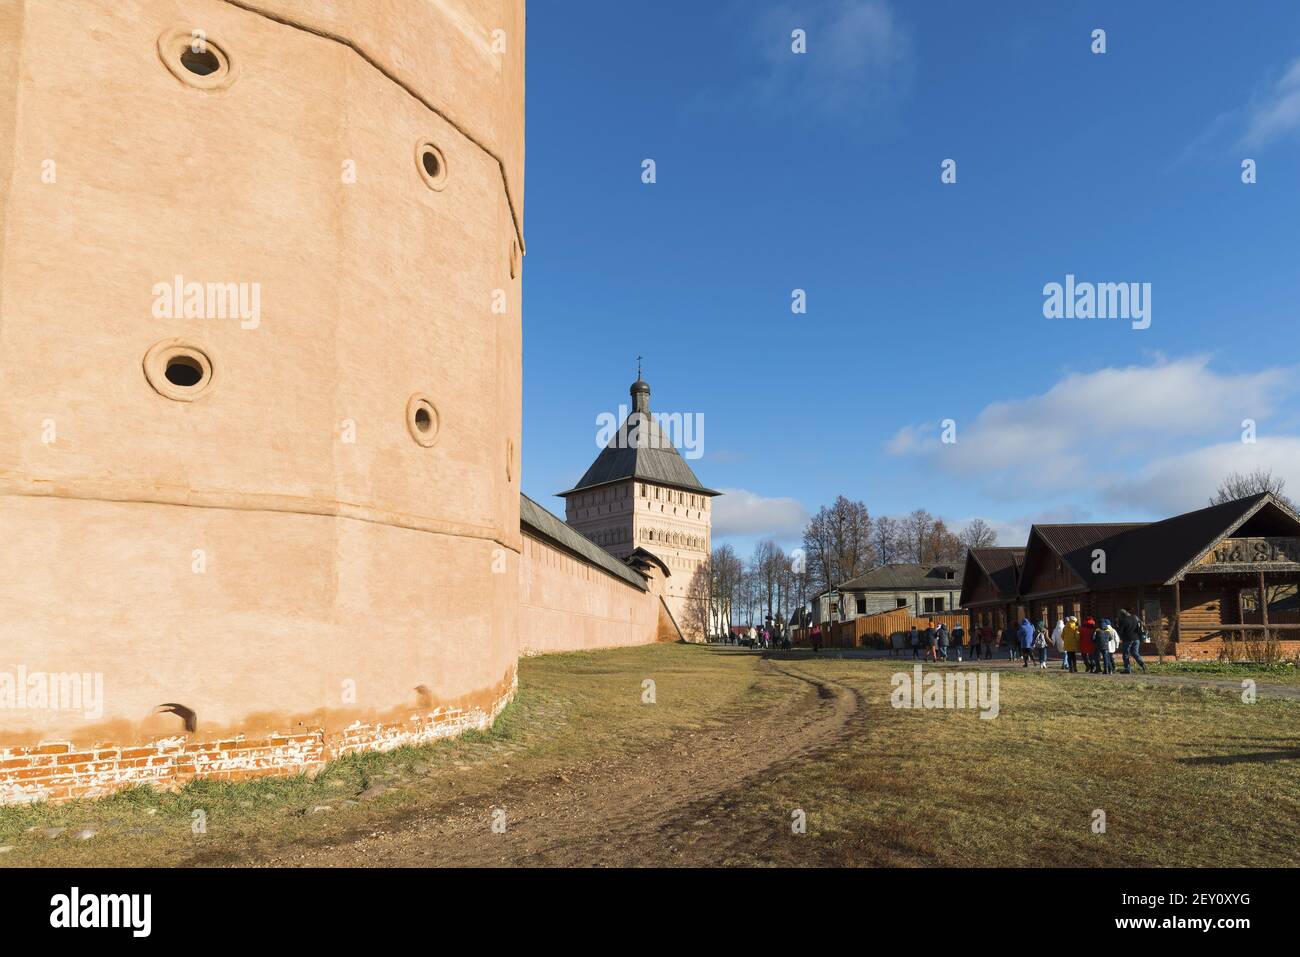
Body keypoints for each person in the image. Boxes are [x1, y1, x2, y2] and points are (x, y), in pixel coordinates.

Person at [1116, 608, 1147, 674]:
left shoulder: (1123, 620)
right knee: (1135, 653)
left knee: (1125, 654)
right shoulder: (1134, 618)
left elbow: (1120, 631)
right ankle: (1142, 664)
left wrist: (1117, 626)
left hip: (1127, 639)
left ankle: (1127, 669)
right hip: (1136, 639)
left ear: (1122, 615)